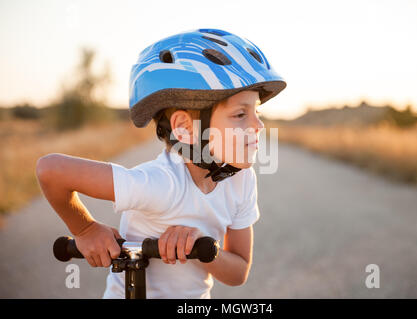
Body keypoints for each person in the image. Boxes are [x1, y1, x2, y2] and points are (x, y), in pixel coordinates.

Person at [36, 28, 286, 298]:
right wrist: (84, 229)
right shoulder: (160, 183)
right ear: (185, 128)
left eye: (256, 112)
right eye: (240, 114)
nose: (258, 125)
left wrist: (199, 246)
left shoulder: (242, 181)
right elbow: (51, 170)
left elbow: (238, 273)